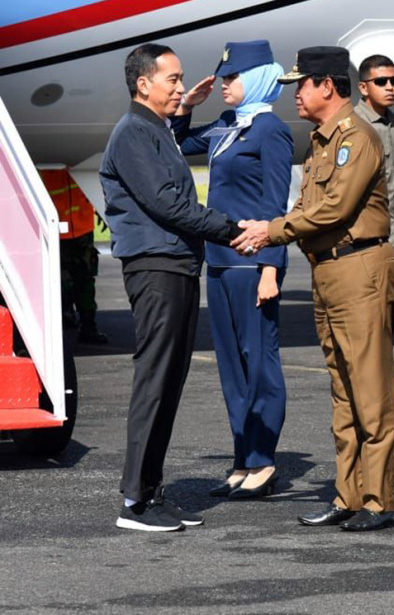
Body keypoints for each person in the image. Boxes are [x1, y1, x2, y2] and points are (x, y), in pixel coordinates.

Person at [231, 47, 394, 532]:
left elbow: (333, 210)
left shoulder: (356, 138)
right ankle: (349, 495)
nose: (296, 96)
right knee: (344, 393)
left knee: (371, 391)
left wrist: (272, 229)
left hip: (359, 269)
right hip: (329, 272)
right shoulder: (323, 141)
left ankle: (379, 499)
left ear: (327, 85)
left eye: (301, 85)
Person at [100, 43, 242, 532]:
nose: (181, 87)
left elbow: (171, 186)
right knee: (155, 380)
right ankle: (135, 503)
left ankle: (153, 492)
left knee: (170, 379)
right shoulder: (134, 132)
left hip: (176, 263)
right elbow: (167, 204)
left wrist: (184, 113)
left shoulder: (153, 129)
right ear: (144, 84)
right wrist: (230, 228)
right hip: (156, 265)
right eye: (173, 79)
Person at [172, 40, 293, 499]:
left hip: (250, 264)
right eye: (223, 78)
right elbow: (180, 143)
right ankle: (243, 457)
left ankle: (264, 461)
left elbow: (274, 205)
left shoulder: (271, 130)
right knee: (231, 368)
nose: (224, 85)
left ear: (258, 78)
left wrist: (270, 269)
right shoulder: (227, 126)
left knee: (259, 362)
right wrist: (186, 105)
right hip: (220, 262)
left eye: (232, 78)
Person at [40, 168, 108, 344]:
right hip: (56, 230)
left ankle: (88, 327)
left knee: (85, 281)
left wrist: (102, 206)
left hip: (82, 228)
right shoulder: (45, 156)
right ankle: (64, 321)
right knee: (61, 283)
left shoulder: (77, 155)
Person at [354, 55, 394, 250]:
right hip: (361, 243)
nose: (389, 87)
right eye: (380, 82)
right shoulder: (354, 126)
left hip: (390, 242)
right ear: (363, 88)